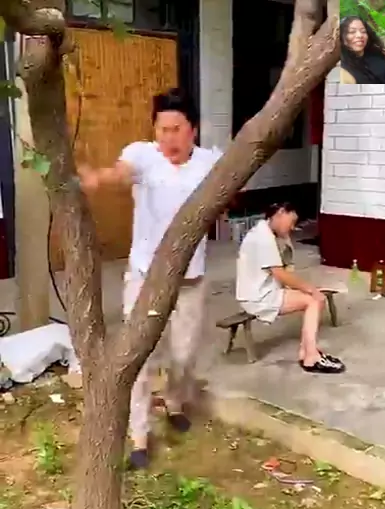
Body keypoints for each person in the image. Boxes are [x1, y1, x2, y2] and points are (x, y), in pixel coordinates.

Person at [78, 88, 222, 469]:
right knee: (139, 356)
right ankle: (139, 434)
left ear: (194, 130)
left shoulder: (211, 162)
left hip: (190, 278)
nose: (168, 138)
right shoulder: (142, 155)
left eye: (177, 129)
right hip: (146, 276)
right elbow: (120, 173)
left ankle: (174, 401)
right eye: (162, 129)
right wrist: (99, 179)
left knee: (184, 354)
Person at [236, 203, 345, 374]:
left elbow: (287, 266)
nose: (293, 227)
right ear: (281, 213)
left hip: (261, 291)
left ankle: (307, 351)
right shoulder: (264, 238)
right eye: (292, 222)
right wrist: (310, 289)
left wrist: (285, 238)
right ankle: (311, 356)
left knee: (313, 298)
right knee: (314, 300)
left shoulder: (263, 231)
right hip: (259, 297)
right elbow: (280, 274)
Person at [340, 16, 385, 84]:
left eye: (363, 31)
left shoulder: (373, 50)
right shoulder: (344, 70)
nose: (360, 35)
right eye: (352, 32)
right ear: (341, 37)